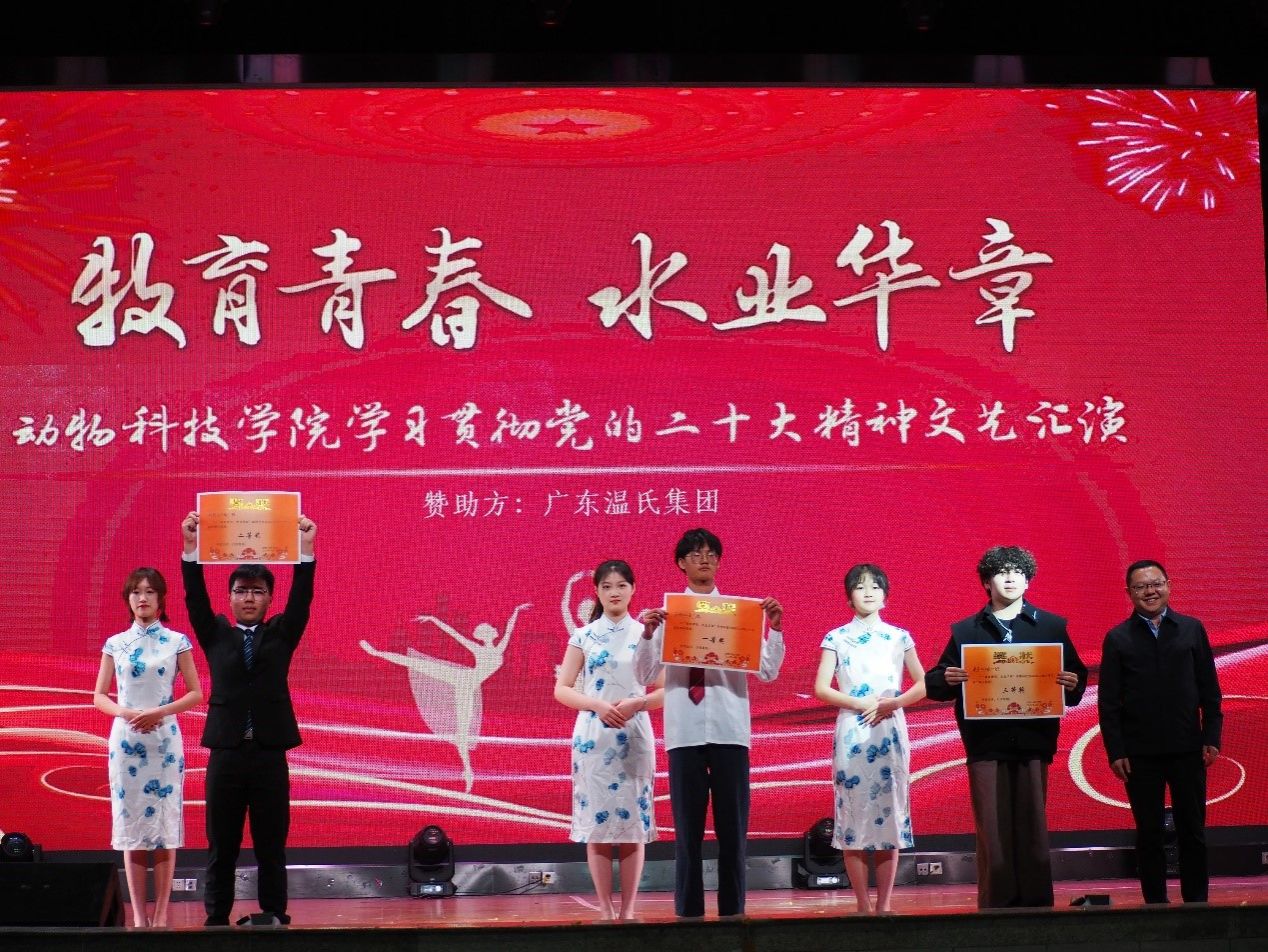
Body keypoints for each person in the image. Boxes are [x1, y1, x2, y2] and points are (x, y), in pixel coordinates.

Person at [924, 545, 1086, 909]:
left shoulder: (1051, 626)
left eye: (1018, 572)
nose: (1010, 578)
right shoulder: (966, 630)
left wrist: (1072, 682)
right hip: (986, 742)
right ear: (987, 581)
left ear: (1028, 581)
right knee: (992, 829)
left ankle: (1037, 904)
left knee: (1032, 824)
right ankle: (996, 907)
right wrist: (946, 678)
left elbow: (1075, 679)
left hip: (1034, 739)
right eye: (1001, 572)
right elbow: (936, 681)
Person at [635, 527, 785, 918]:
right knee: (687, 831)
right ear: (681, 564)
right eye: (695, 554)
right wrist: (648, 633)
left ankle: (733, 911)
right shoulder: (668, 615)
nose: (704, 560)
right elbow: (645, 673)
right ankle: (689, 911)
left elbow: (768, 671)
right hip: (685, 731)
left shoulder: (740, 614)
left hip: (729, 729)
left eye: (711, 554)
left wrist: (774, 628)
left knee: (733, 829)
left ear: (719, 562)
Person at [180, 510, 316, 927]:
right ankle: (216, 917)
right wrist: (191, 549)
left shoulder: (282, 633)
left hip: (270, 753)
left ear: (270, 598)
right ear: (231, 597)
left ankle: (274, 913)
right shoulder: (215, 633)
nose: (249, 598)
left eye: (258, 591)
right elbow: (194, 598)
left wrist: (305, 550)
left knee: (271, 843)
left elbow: (302, 599)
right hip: (226, 753)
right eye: (241, 591)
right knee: (221, 843)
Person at [1097, 559, 1222, 904]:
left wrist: (1211, 737)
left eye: (1156, 584)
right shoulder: (1118, 638)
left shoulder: (1191, 629)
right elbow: (1109, 702)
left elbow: (1210, 690)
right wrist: (1116, 750)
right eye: (1141, 587)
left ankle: (1197, 904)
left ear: (1168, 586)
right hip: (1139, 753)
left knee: (1192, 830)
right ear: (1129, 593)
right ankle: (1155, 906)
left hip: (1188, 748)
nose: (1150, 591)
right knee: (1149, 832)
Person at [554, 559, 664, 920]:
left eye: (621, 585)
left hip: (634, 735)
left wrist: (638, 703)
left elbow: (667, 690)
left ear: (633, 589)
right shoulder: (583, 636)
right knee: (598, 829)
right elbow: (562, 689)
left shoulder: (649, 634)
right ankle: (604, 910)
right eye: (606, 587)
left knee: (633, 828)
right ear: (597, 593)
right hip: (594, 736)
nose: (614, 592)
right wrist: (597, 705)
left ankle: (628, 911)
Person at [93, 568, 203, 928]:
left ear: (161, 599)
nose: (143, 598)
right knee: (133, 830)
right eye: (136, 592)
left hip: (163, 743)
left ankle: (160, 917)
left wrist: (160, 711)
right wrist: (125, 712)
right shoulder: (115, 644)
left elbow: (196, 693)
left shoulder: (177, 641)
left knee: (165, 828)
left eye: (150, 592)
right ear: (128, 599)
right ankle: (139, 919)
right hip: (127, 743)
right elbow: (99, 696)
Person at [813, 563, 924, 915]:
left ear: (885, 596)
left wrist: (894, 703)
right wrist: (860, 703)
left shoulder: (899, 637)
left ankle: (885, 905)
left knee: (890, 815)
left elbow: (923, 683)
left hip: (889, 729)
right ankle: (862, 905)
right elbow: (821, 688)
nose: (869, 592)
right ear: (849, 597)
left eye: (875, 586)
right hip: (853, 728)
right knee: (853, 816)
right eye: (860, 587)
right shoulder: (836, 637)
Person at [361, 602, 529, 793]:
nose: (494, 629)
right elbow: (454, 634)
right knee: (418, 664)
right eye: (490, 628)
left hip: (467, 686)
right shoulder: (479, 648)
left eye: (491, 628)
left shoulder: (498, 648)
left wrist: (516, 611)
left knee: (462, 733)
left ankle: (468, 772)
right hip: (463, 678)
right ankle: (376, 652)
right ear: (486, 635)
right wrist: (434, 620)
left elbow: (509, 629)